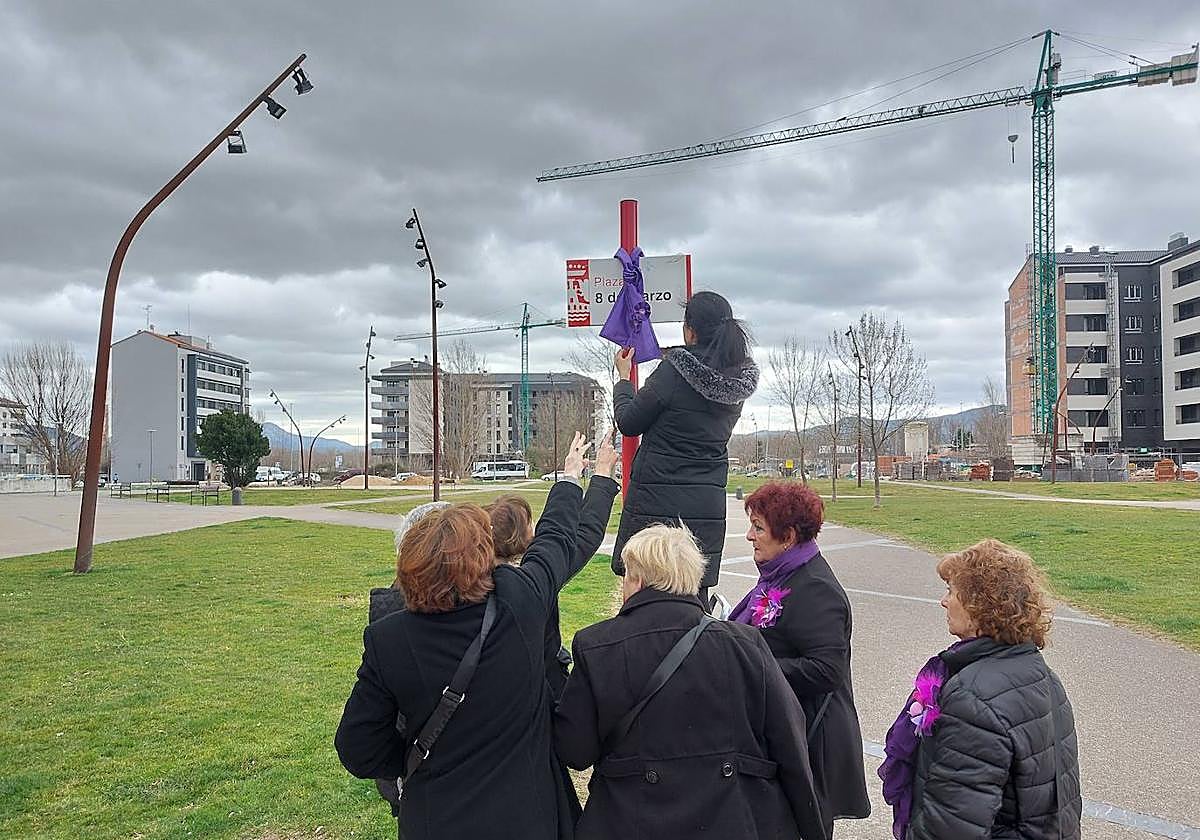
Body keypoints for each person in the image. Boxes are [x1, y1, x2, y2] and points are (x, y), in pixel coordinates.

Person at [335, 433, 614, 840]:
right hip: (525, 817)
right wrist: (571, 477)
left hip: (435, 817)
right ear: (483, 557)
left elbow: (358, 748)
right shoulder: (520, 602)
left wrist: (418, 755)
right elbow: (554, 541)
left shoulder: (388, 639)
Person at [554, 523, 826, 840]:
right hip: (732, 817)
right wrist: (811, 828)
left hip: (632, 819)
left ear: (637, 579)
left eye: (625, 576)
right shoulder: (744, 643)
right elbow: (788, 742)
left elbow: (575, 751)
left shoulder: (597, 645)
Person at [878, 539, 1082, 840]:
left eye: (951, 591)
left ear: (979, 604)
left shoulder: (972, 697)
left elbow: (950, 828)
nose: (944, 602)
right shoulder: (1040, 673)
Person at [732, 481, 870, 838]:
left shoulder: (816, 588)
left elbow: (826, 670)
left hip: (811, 745)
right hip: (787, 734)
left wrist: (752, 665)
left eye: (758, 527)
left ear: (789, 536)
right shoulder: (782, 574)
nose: (749, 536)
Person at [610, 290, 758, 604]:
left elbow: (629, 422)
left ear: (689, 331)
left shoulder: (673, 374)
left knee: (642, 595)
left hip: (656, 504)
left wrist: (623, 381)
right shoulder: (735, 381)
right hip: (704, 507)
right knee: (692, 600)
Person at [486, 435, 620, 701]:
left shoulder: (462, 576)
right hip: (538, 696)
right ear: (523, 539)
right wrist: (601, 475)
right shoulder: (536, 578)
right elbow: (583, 535)